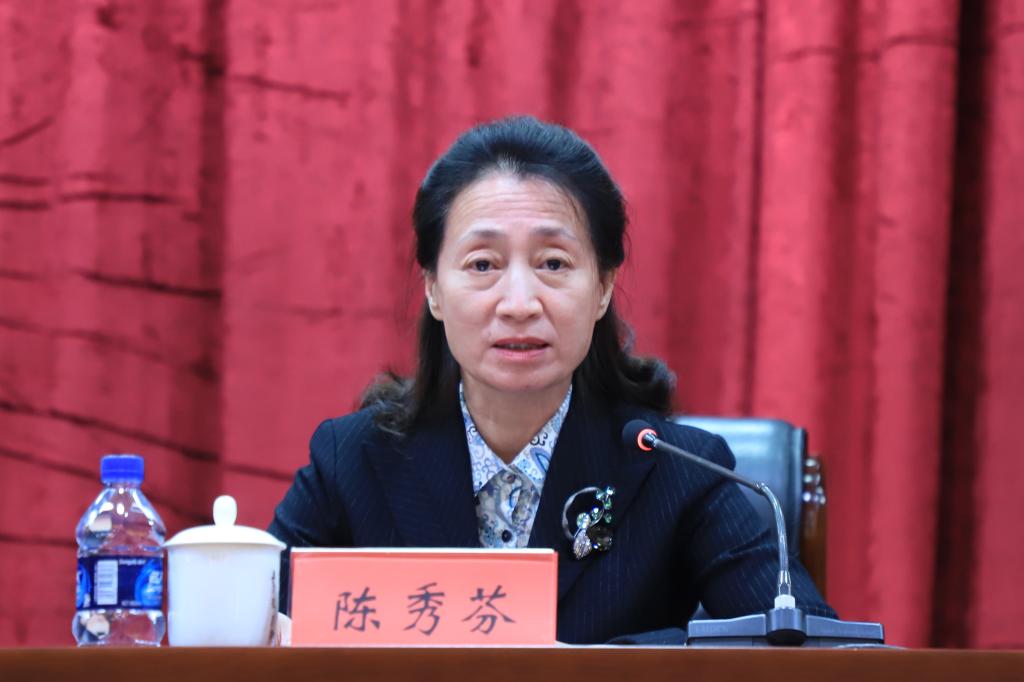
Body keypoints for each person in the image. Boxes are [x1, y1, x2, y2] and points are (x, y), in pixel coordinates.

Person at [268, 115, 835, 644]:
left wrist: (586, 666)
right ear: (434, 289)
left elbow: (807, 650)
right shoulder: (353, 462)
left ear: (603, 287)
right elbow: (253, 634)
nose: (519, 304)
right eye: (483, 265)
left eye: (553, 264)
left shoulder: (678, 473)